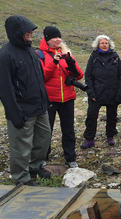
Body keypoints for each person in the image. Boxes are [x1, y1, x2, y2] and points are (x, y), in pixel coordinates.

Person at [0, 15, 51, 185]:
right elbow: (5, 88)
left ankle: (35, 167)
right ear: (16, 32)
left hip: (39, 106)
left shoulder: (30, 51)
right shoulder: (5, 55)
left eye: (31, 31)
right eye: (27, 31)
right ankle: (21, 178)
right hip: (21, 110)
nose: (30, 33)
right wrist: (14, 112)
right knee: (21, 146)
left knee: (43, 138)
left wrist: (45, 101)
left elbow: (39, 78)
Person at [39, 26, 84, 168]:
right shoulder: (40, 55)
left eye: (59, 37)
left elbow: (79, 75)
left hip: (68, 98)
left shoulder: (66, 52)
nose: (58, 39)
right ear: (47, 39)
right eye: (54, 37)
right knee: (47, 130)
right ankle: (42, 158)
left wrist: (71, 63)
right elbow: (42, 77)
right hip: (50, 99)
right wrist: (54, 63)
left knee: (68, 130)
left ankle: (71, 158)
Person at [81, 35, 121, 148]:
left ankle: (110, 136)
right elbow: (88, 76)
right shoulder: (93, 57)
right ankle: (89, 139)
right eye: (102, 43)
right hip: (96, 93)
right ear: (98, 45)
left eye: (106, 43)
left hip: (112, 93)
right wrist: (91, 93)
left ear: (109, 44)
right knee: (91, 116)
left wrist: (120, 94)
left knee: (112, 116)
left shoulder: (115, 57)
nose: (104, 44)